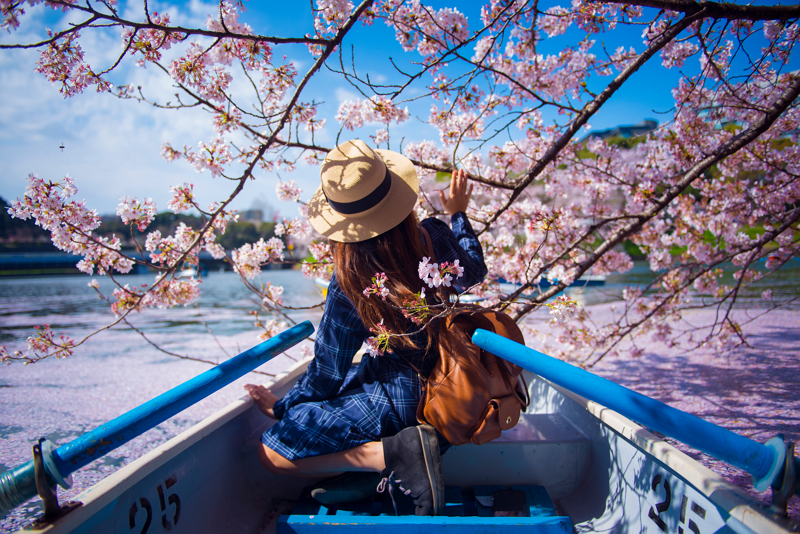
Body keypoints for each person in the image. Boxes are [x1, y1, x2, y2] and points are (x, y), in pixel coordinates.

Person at [244, 139, 487, 516]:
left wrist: (282, 409)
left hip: (401, 404)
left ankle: (389, 455)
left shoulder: (352, 281)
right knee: (345, 386)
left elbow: (327, 373)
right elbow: (474, 269)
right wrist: (458, 214)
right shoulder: (434, 236)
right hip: (453, 390)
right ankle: (383, 469)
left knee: (271, 451)